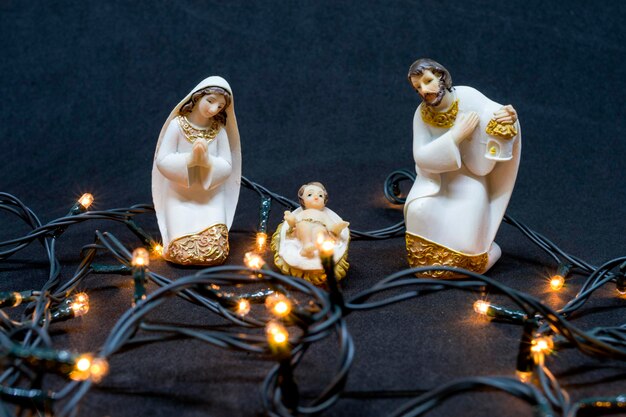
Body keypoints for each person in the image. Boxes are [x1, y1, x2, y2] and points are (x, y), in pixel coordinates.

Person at [404, 59, 521, 277]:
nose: (424, 91)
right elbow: (420, 157)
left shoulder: (468, 97)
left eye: (428, 81)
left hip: (470, 179)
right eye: (418, 87)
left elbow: (496, 114)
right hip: (436, 182)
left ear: (442, 77)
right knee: (418, 211)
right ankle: (431, 265)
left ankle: (481, 254)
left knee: (468, 244)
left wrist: (509, 117)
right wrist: (455, 136)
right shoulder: (421, 115)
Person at [152, 76, 241, 265]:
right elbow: (162, 160)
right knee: (181, 253)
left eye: (220, 106)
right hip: (180, 195)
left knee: (216, 251)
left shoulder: (219, 130)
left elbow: (226, 166)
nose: (213, 109)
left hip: (210, 197)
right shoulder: (177, 125)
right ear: (197, 97)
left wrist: (207, 161)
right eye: (210, 101)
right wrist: (191, 160)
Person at [283, 182, 350, 257]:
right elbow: (294, 223)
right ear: (302, 201)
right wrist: (290, 219)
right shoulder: (303, 213)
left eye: (320, 195)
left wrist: (337, 228)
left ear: (324, 201)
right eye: (310, 194)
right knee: (302, 226)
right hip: (304, 226)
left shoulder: (323, 215)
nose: (316, 197)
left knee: (319, 230)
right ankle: (306, 245)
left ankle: (315, 248)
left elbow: (330, 226)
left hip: (319, 227)